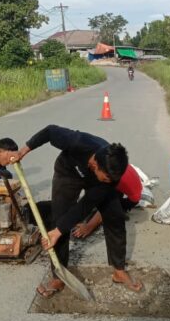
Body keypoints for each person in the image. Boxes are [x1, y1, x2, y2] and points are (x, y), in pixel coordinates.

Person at [11, 125, 143, 297]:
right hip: (68, 172)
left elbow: (84, 206)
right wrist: (22, 152)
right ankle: (58, 275)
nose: (110, 181)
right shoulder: (79, 142)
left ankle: (119, 270)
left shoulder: (108, 179)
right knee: (59, 219)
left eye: (113, 179)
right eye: (108, 177)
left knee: (115, 216)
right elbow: (50, 131)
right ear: (95, 164)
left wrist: (66, 229)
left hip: (93, 182)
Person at [71, 163, 142, 238]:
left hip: (132, 199)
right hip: (121, 173)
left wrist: (89, 227)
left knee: (109, 207)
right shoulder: (103, 160)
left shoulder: (110, 181)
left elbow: (106, 203)